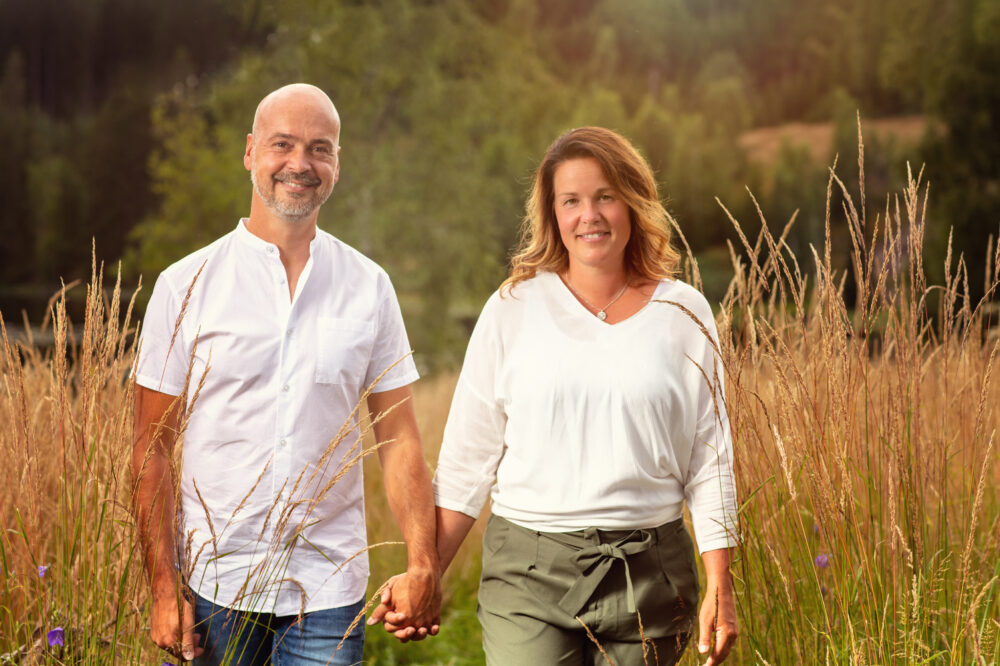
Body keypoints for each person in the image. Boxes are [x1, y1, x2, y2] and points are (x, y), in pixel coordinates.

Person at [373, 126, 739, 664]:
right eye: (571, 200)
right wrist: (426, 574)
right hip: (528, 574)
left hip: (652, 574)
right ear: (553, 213)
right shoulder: (512, 307)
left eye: (605, 197)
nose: (588, 215)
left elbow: (711, 459)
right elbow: (468, 462)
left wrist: (720, 585)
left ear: (633, 204)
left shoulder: (685, 313)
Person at [131, 83, 441, 665]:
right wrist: (164, 589)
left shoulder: (370, 286)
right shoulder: (185, 285)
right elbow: (151, 448)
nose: (300, 164)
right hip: (216, 587)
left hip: (329, 589)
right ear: (251, 152)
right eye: (283, 144)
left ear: (337, 165)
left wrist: (423, 563)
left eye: (319, 148)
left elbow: (400, 440)